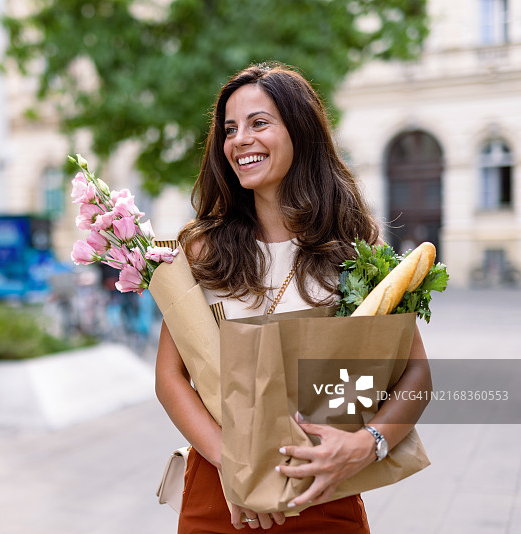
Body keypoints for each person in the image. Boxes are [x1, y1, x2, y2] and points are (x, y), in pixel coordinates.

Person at [154, 62, 432, 532]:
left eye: (259, 123)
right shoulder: (200, 250)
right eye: (229, 129)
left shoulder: (359, 251)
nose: (239, 139)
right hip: (220, 495)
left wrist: (368, 442)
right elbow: (170, 376)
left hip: (323, 490)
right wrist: (235, 463)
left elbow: (417, 373)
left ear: (300, 132)